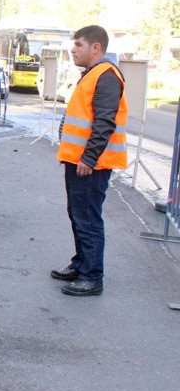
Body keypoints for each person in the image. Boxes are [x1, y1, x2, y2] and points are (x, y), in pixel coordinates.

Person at [52, 25, 128, 296]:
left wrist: (89, 158)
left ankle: (92, 277)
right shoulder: (93, 74)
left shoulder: (106, 76)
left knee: (88, 219)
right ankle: (82, 264)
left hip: (90, 165)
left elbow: (104, 122)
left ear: (96, 47)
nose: (73, 49)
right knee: (79, 215)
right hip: (78, 161)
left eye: (79, 44)